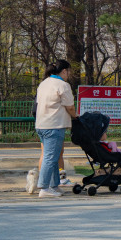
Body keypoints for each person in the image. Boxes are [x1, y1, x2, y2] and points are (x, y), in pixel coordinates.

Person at [34, 60, 77, 199]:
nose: (69, 75)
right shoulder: (63, 85)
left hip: (41, 124)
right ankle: (44, 187)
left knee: (51, 157)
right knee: (51, 157)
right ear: (64, 71)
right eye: (68, 72)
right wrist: (75, 117)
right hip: (54, 125)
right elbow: (69, 106)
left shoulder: (43, 83)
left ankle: (53, 186)